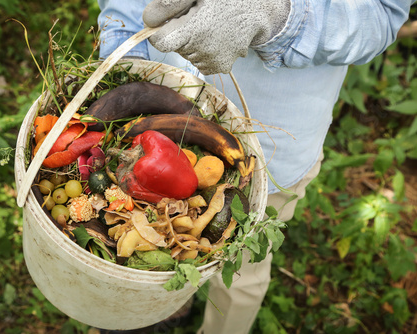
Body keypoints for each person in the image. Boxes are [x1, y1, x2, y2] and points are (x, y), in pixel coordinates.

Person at [95, 1, 416, 333]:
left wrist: (275, 15)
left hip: (268, 142)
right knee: (141, 237)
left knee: (241, 270)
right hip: (151, 101)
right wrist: (123, 44)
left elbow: (380, 16)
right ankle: (158, 309)